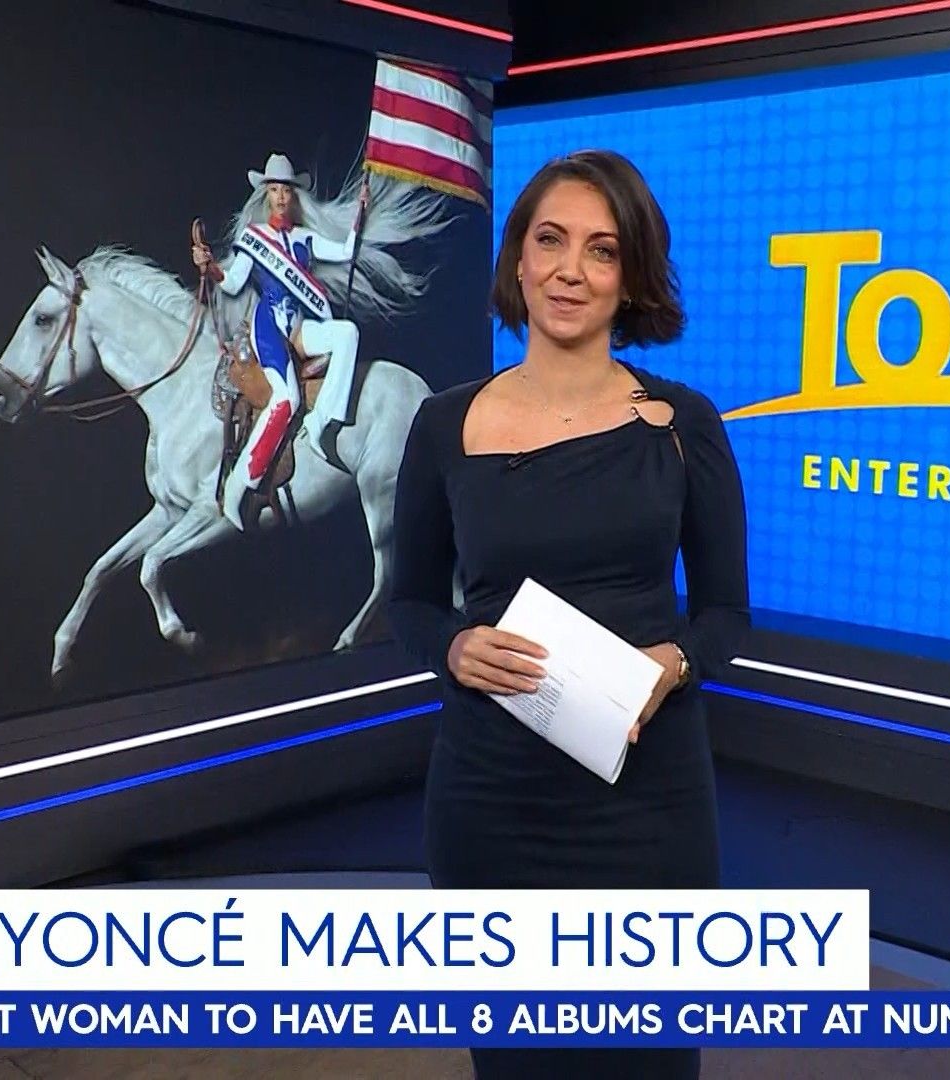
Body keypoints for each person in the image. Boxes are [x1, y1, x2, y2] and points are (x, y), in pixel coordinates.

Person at [386, 149, 750, 1080]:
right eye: (550, 240)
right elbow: (411, 602)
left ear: (631, 276)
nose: (570, 271)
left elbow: (725, 614)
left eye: (602, 249)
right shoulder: (444, 423)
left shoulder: (685, 424)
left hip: (648, 802)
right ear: (518, 257)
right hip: (491, 802)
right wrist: (454, 646)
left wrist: (674, 663)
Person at [195, 151, 452, 528]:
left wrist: (361, 213)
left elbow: (346, 252)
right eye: (275, 190)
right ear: (266, 195)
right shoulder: (254, 239)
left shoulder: (304, 238)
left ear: (294, 196)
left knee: (347, 333)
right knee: (287, 398)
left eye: (287, 190)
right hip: (269, 329)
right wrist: (211, 268)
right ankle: (242, 483)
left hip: (298, 328)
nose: (282, 197)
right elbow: (232, 283)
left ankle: (321, 423)